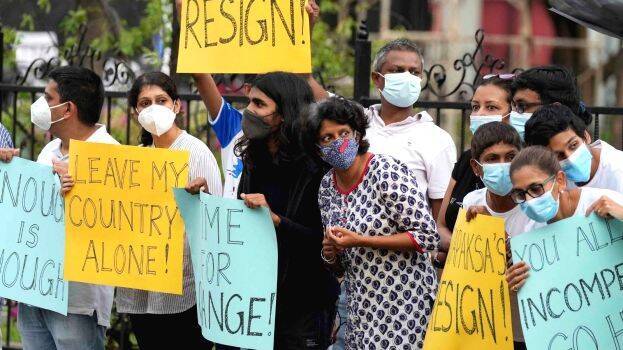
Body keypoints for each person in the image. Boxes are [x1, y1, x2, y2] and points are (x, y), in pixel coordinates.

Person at [0, 66, 117, 350]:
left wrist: (82, 191)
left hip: (76, 303)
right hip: (35, 293)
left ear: (68, 109)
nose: (40, 105)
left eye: (48, 97)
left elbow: (116, 226)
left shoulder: (110, 155)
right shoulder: (48, 151)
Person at [307, 97, 439, 349]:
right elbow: (339, 267)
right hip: (359, 308)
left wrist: (361, 240)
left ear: (357, 134)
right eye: (327, 138)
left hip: (405, 304)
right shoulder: (327, 186)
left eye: (343, 133)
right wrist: (330, 253)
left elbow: (427, 236)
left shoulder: (386, 171)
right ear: (317, 147)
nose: (337, 142)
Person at [114, 72, 221, 349]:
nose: (153, 108)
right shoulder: (135, 158)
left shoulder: (197, 153)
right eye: (145, 102)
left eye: (161, 100)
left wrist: (203, 196)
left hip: (185, 289)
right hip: (142, 286)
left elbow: (217, 219)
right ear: (135, 111)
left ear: (176, 105)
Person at [234, 72, 338, 349]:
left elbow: (323, 242)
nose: (249, 111)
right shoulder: (254, 158)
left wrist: (278, 221)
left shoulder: (317, 168)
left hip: (303, 304)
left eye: (259, 104)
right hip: (259, 298)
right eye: (250, 103)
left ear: (284, 114)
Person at [185, 0, 322, 199]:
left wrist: (304, 27)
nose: (252, 109)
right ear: (249, 90)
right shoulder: (233, 126)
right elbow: (199, 73)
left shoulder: (303, 156)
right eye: (256, 98)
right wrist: (189, 19)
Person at [460, 122, 538, 350]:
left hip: (527, 330)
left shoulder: (534, 207)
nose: (503, 165)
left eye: (510, 156)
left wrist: (494, 233)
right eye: (492, 159)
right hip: (487, 328)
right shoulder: (471, 202)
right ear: (476, 167)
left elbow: (537, 270)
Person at [506, 146, 623, 294]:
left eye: (536, 188)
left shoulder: (605, 203)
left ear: (560, 181)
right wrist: (516, 289)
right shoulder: (530, 236)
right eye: (520, 194)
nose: (529, 200)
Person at [435, 74, 513, 264]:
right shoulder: (466, 160)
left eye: (491, 107)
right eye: (475, 107)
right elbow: (441, 226)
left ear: (513, 114)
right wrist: (465, 249)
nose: (480, 114)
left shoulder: (526, 167)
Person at [524, 104, 623, 193]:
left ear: (585, 136)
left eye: (573, 145)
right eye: (558, 155)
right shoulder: (552, 177)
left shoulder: (618, 169)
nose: (570, 158)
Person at [509, 64, 592, 139]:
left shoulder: (590, 154)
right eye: (513, 105)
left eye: (521, 106)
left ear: (556, 109)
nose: (512, 114)